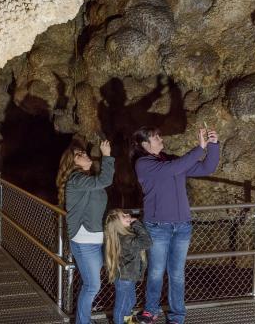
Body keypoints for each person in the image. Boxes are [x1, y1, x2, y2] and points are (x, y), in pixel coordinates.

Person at [131, 126, 220, 324]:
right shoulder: (143, 164)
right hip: (158, 226)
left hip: (182, 226)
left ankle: (177, 316)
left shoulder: (171, 160)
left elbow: (207, 168)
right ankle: (150, 311)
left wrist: (213, 145)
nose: (160, 138)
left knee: (177, 273)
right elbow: (171, 169)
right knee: (155, 271)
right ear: (145, 144)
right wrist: (199, 148)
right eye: (156, 137)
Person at [56, 140, 114, 324]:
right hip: (84, 240)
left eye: (83, 152)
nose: (85, 154)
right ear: (72, 163)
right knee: (92, 285)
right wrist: (107, 155)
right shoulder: (76, 179)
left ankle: (84, 319)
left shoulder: (87, 179)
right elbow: (106, 180)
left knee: (89, 283)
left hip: (95, 238)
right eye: (78, 154)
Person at [104, 209, 152, 324]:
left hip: (127, 278)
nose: (128, 215)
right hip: (124, 279)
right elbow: (147, 242)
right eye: (124, 216)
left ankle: (127, 321)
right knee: (122, 305)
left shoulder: (123, 236)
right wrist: (136, 223)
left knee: (130, 301)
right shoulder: (126, 239)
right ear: (118, 225)